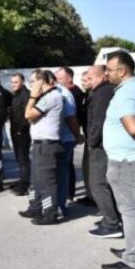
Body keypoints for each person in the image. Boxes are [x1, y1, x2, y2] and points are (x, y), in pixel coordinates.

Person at [101, 51, 135, 269]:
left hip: (127, 162)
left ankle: (133, 260)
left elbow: (132, 128)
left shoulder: (126, 93)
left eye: (110, 70)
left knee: (130, 211)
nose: (106, 74)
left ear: (122, 71)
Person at [19, 69, 64, 225]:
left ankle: (50, 213)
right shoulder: (44, 97)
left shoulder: (52, 96)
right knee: (36, 180)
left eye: (33, 81)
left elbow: (28, 115)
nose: (31, 85)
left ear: (41, 81)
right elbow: (31, 118)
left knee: (46, 181)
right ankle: (35, 207)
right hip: (39, 144)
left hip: (47, 145)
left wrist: (32, 96)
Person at [84, 65, 120, 239]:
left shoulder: (102, 93)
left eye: (90, 78)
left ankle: (111, 223)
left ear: (101, 77)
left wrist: (91, 142)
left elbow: (98, 120)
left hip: (100, 146)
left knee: (98, 184)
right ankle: (111, 218)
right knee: (102, 184)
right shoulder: (101, 91)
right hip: (101, 143)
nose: (86, 81)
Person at [56, 66, 86, 202]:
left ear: (68, 78)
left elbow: (74, 117)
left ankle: (69, 193)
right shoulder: (62, 91)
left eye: (59, 78)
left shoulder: (75, 93)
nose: (56, 81)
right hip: (65, 134)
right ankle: (67, 192)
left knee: (67, 165)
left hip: (69, 134)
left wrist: (76, 135)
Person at [55, 80, 82, 216]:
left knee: (62, 174)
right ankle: (59, 202)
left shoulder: (63, 94)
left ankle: (61, 204)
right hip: (59, 140)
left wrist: (77, 136)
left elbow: (71, 118)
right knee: (59, 173)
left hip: (64, 140)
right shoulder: (57, 92)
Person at [9, 73, 31, 196]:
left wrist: (20, 129)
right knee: (19, 158)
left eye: (16, 82)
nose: (13, 85)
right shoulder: (16, 95)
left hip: (22, 132)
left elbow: (26, 116)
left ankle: (25, 184)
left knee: (23, 158)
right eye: (12, 82)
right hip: (15, 130)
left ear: (22, 82)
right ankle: (22, 179)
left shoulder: (25, 95)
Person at [78, 70, 97, 206]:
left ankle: (96, 198)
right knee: (87, 168)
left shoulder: (97, 95)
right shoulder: (86, 95)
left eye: (85, 80)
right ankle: (90, 195)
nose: (83, 83)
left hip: (94, 139)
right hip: (89, 137)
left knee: (94, 170)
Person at [0, 78, 13, 149]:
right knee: (3, 128)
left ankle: (3, 144)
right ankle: (6, 143)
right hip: (5, 111)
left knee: (0, 129)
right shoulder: (6, 91)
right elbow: (10, 101)